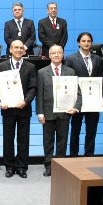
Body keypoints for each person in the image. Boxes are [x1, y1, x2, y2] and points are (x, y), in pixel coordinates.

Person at [36, 45, 80, 176]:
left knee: (62, 140)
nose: (56, 55)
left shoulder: (70, 72)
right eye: (53, 53)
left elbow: (78, 92)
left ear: (63, 55)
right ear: (49, 55)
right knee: (48, 141)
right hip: (48, 112)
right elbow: (39, 94)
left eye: (59, 53)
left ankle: (61, 165)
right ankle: (48, 166)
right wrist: (40, 112)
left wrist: (76, 107)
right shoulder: (42, 72)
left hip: (65, 112)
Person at [0, 40, 36, 178]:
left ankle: (21, 167)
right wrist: (1, 100)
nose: (19, 50)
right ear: (10, 50)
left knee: (23, 139)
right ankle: (9, 166)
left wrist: (26, 101)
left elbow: (33, 87)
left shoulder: (30, 67)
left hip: (24, 108)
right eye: (16, 47)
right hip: (8, 109)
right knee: (8, 138)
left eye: (21, 48)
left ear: (25, 51)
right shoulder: (2, 66)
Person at [65, 32, 103, 156]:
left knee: (91, 131)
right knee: (75, 130)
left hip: (94, 101)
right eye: (83, 41)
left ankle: (89, 155)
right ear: (78, 43)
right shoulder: (71, 59)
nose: (86, 43)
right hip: (77, 101)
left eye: (89, 41)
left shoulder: (98, 59)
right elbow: (67, 79)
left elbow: (102, 79)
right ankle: (73, 156)